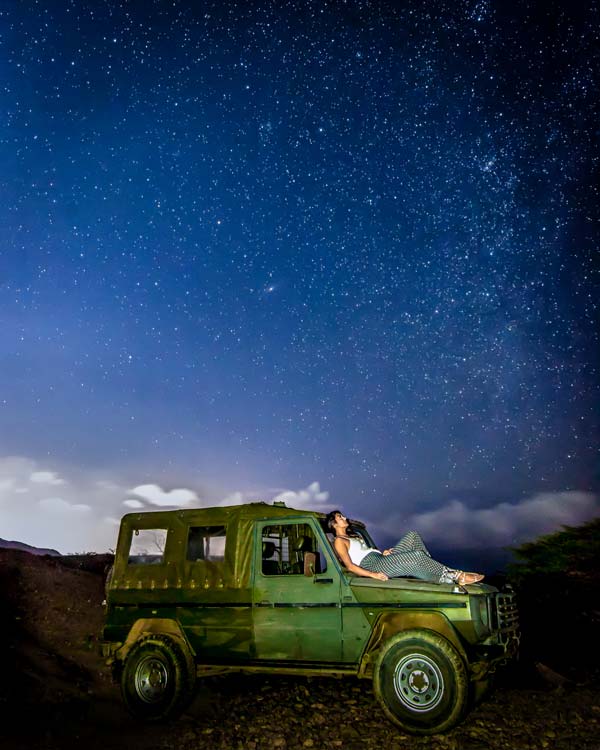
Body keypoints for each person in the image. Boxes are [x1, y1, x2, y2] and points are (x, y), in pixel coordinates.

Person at [325, 510, 484, 586]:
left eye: (342, 516)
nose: (344, 518)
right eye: (340, 517)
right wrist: (373, 575)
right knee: (415, 555)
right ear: (334, 524)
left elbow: (366, 551)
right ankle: (456, 576)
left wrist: (383, 553)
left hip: (379, 559)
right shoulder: (339, 541)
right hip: (372, 566)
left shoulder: (354, 535)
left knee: (413, 536)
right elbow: (350, 566)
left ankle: (431, 570)